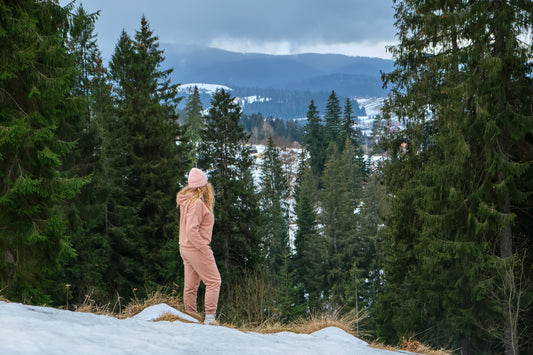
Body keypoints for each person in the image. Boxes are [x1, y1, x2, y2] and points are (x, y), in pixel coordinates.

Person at [176, 168, 221, 325]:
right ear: (203, 185)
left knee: (191, 286)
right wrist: (204, 248)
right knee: (214, 281)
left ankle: (190, 317)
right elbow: (191, 230)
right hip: (195, 248)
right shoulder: (196, 204)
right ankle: (210, 318)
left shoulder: (186, 201)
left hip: (185, 248)